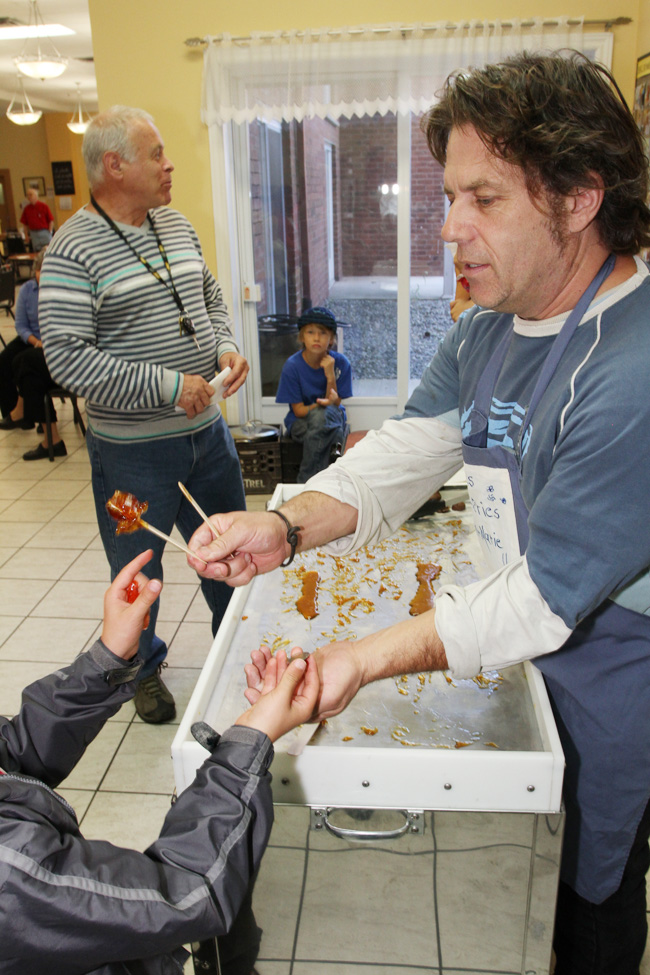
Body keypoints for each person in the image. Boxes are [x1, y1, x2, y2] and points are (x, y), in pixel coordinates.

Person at [188, 52, 650, 975]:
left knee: (586, 896)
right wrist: (281, 527)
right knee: (513, 877)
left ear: (578, 197)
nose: (449, 229)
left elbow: (542, 601)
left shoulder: (632, 365)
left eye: (484, 199)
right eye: (450, 196)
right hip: (510, 632)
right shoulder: (492, 322)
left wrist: (356, 658)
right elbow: (408, 450)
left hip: (606, 668)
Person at [0, 549, 319, 975]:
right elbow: (187, 894)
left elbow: (17, 752)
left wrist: (108, 658)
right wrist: (248, 742)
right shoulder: (13, 874)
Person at [38, 105, 250, 727]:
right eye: (156, 153)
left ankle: (235, 649)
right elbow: (68, 362)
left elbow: (207, 294)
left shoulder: (175, 223)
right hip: (131, 454)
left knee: (229, 551)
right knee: (137, 570)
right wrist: (166, 386)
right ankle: (141, 669)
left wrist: (223, 345)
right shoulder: (73, 249)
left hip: (207, 440)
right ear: (114, 166)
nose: (169, 164)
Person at [0, 249, 65, 457]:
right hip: (33, 340)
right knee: (10, 360)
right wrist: (35, 342)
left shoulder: (60, 292)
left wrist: (46, 344)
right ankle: (46, 436)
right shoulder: (28, 289)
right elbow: (21, 324)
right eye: (39, 270)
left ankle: (24, 415)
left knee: (25, 365)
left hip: (56, 345)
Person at [276, 306, 352, 482]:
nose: (316, 338)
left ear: (331, 338)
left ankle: (305, 482)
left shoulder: (341, 363)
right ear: (302, 337)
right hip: (300, 422)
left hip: (332, 416)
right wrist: (321, 405)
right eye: (310, 332)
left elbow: (334, 403)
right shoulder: (292, 366)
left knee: (324, 420)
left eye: (323, 333)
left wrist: (330, 375)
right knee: (333, 433)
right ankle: (327, 482)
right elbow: (299, 411)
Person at [19, 185, 54, 251]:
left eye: (30, 195)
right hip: (33, 233)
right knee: (37, 250)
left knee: (49, 249)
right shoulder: (27, 209)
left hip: (44, 231)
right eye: (27, 195)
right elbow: (25, 224)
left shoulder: (44, 206)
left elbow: (51, 220)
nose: (29, 197)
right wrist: (26, 235)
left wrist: (50, 231)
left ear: (36, 196)